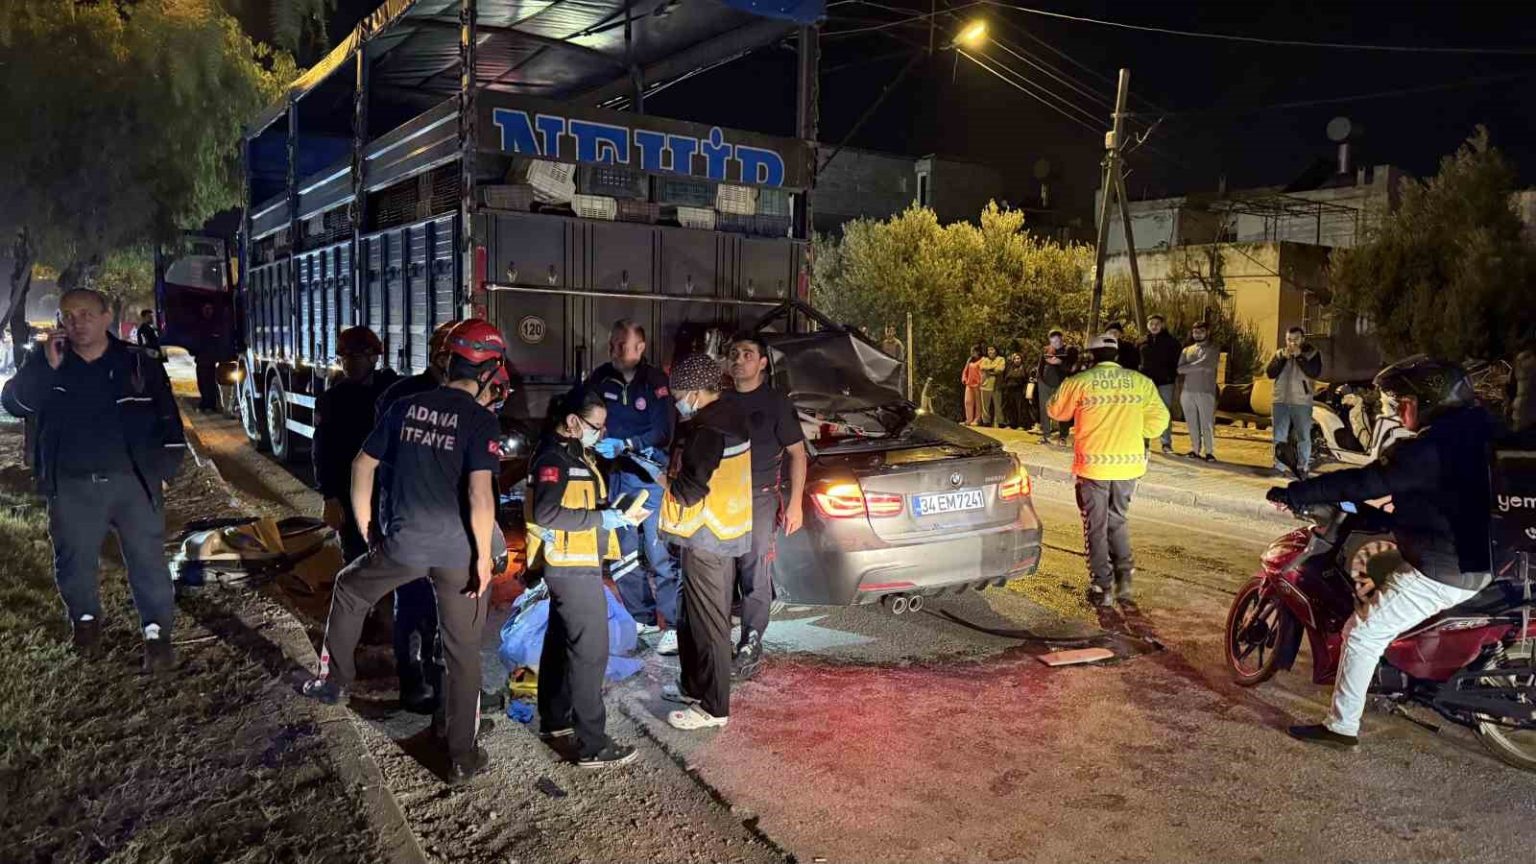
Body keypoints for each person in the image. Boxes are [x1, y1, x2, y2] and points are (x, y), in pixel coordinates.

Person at [302, 318, 508, 784]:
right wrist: (481, 558)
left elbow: (362, 465)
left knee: (350, 589)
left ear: (448, 361)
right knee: (463, 652)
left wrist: (366, 527)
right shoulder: (481, 419)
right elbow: (480, 495)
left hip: (403, 545)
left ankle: (334, 682)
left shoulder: (405, 405)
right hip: (457, 553)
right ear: (487, 371)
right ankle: (461, 756)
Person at [1269, 357, 1495, 750]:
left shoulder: (1431, 447)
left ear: (1427, 401)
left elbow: (1367, 480)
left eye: (1403, 401)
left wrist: (1298, 492)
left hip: (1445, 567)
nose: (1398, 410)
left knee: (1361, 633)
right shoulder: (1480, 432)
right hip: (1479, 555)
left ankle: (1341, 727)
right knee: (1380, 569)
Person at [1, 288, 187, 670]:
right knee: (74, 560)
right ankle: (85, 624)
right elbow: (14, 404)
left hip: (133, 482)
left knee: (148, 560)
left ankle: (157, 636)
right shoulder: (46, 361)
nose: (77, 323)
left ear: (106, 317)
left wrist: (166, 470)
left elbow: (168, 417)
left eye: (86, 314)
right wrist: (45, 368)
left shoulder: (137, 362)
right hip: (72, 483)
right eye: (68, 316)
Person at [526, 391, 642, 768]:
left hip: (575, 561)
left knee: (562, 644)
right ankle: (593, 743)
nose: (600, 433)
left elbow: (580, 501)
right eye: (596, 426)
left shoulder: (574, 454)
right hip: (571, 565)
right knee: (590, 653)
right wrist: (601, 519)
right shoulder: (554, 458)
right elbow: (546, 513)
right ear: (573, 421)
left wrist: (613, 512)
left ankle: (555, 720)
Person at [658, 353, 753, 731]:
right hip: (713, 534)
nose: (677, 403)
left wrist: (659, 476)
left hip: (709, 537)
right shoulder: (727, 414)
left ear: (696, 393)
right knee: (692, 617)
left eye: (679, 396)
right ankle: (693, 686)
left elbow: (688, 491)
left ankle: (714, 707)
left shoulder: (709, 430)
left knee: (711, 624)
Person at [576, 320, 680, 654]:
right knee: (624, 552)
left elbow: (663, 431)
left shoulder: (654, 382)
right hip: (617, 476)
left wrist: (628, 444)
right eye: (615, 344)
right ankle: (641, 617)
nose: (618, 350)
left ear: (641, 347)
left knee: (659, 552)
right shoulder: (600, 378)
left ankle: (674, 624)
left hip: (651, 478)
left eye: (625, 345)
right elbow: (580, 411)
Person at [374, 319, 458, 712]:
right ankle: (414, 684)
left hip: (440, 519)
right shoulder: (402, 397)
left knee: (441, 605)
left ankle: (442, 688)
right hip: (408, 516)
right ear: (441, 356)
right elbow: (383, 461)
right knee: (412, 600)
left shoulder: (460, 398)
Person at [1048, 335, 1168, 608]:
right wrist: (1136, 431)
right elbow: (1160, 420)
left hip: (1094, 467)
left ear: (1091, 355)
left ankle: (1102, 585)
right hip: (1129, 465)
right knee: (1118, 520)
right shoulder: (1140, 382)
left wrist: (1070, 375)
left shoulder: (1081, 381)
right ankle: (1124, 581)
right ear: (1115, 355)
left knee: (1096, 525)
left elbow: (1056, 410)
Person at [723, 334, 807, 678]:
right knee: (720, 570)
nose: (739, 359)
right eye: (734, 354)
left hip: (759, 497)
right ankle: (717, 640)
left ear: (762, 364)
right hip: (721, 499)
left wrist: (796, 503)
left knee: (755, 572)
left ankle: (751, 641)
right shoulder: (720, 401)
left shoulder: (775, 403)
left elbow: (798, 454)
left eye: (747, 354)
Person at [314, 327, 401, 561]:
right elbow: (322, 451)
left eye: (354, 356)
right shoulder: (332, 400)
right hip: (349, 490)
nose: (348, 363)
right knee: (355, 556)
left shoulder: (393, 391)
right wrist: (329, 496)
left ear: (373, 358)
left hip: (388, 490)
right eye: (344, 357)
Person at [1266, 327, 1323, 479]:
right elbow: (1270, 373)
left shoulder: (1312, 354)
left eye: (1295, 340)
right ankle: (1279, 466)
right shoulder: (1280, 354)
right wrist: (1282, 359)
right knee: (1279, 435)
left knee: (1303, 436)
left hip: (1301, 401)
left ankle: (1303, 466)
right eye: (1289, 340)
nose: (1292, 343)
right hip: (1281, 400)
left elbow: (1314, 372)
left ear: (1302, 339)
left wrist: (1299, 357)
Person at [1177, 322, 1220, 462]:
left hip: (1205, 391)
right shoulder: (1187, 350)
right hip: (1187, 391)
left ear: (1207, 332)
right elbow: (1180, 369)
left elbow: (1206, 364)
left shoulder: (1213, 348)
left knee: (1207, 423)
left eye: (1201, 331)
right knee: (1191, 423)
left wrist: (1190, 367)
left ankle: (1209, 452)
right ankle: (1195, 449)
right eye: (1195, 332)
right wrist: (1198, 366)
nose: (1198, 334)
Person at [1139, 315, 1181, 455]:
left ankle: (1166, 443)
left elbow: (1177, 362)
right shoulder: (1141, 342)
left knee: (1165, 412)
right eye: (1151, 323)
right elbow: (1136, 361)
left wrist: (1170, 375)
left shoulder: (1171, 342)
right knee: (1145, 412)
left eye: (1157, 323)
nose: (1154, 326)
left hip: (1165, 383)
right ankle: (1144, 442)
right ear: (1148, 325)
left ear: (1162, 325)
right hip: (1146, 384)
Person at [1036, 330, 1077, 444]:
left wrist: (1060, 363)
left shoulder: (1068, 350)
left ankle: (1063, 436)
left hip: (1061, 384)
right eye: (1052, 341)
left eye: (1057, 341)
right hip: (1044, 384)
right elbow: (1040, 365)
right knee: (1044, 409)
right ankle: (1046, 435)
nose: (1055, 344)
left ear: (1061, 339)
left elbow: (1072, 368)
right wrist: (1039, 379)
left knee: (1062, 409)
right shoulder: (1046, 350)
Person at [1000, 351, 1031, 430]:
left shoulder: (1025, 368)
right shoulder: (1010, 368)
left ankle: (1021, 425)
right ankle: (1011, 424)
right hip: (1010, 390)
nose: (1017, 360)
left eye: (1018, 358)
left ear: (1021, 359)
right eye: (1015, 359)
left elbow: (1027, 379)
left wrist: (1025, 390)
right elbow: (1005, 378)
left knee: (1021, 408)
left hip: (1020, 390)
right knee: (1011, 408)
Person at [978, 344, 1006, 427]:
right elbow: (982, 367)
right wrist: (993, 367)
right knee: (985, 406)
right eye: (989, 350)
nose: (990, 351)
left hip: (996, 385)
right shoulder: (984, 359)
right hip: (985, 385)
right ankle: (986, 421)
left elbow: (1000, 369)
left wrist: (988, 370)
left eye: (992, 349)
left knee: (998, 405)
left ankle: (1000, 422)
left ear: (996, 351)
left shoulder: (1000, 359)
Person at [960, 347, 983, 425]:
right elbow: (965, 370)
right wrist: (964, 378)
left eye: (973, 351)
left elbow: (982, 372)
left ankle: (977, 419)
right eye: (971, 351)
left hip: (977, 384)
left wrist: (981, 381)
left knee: (978, 402)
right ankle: (969, 419)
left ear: (978, 352)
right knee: (968, 401)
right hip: (969, 383)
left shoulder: (982, 360)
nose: (971, 353)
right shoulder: (970, 360)